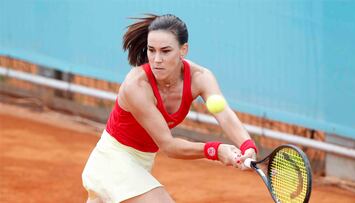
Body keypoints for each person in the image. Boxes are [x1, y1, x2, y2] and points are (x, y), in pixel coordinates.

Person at [82, 14, 257, 203]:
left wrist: (247, 145)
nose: (157, 59)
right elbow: (169, 146)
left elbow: (223, 113)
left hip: (142, 163)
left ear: (183, 50)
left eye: (165, 51)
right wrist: (216, 150)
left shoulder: (201, 77)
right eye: (151, 50)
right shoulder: (137, 85)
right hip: (112, 160)